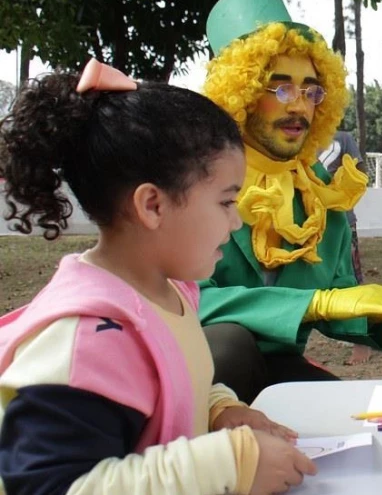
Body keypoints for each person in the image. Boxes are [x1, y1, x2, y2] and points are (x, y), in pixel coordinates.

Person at [0, 60, 315, 493]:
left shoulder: (170, 290)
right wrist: (227, 463)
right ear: (153, 205)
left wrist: (219, 409)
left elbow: (175, 381)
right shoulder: (89, 339)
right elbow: (51, 486)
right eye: (226, 202)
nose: (236, 221)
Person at [199, 0, 382, 403]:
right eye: (281, 88)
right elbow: (185, 301)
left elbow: (337, 298)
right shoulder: (192, 178)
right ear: (242, 92)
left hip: (279, 368)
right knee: (228, 344)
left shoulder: (320, 188)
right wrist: (314, 304)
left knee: (350, 414)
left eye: (311, 90)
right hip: (196, 369)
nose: (299, 106)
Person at [319, 131, 373, 365]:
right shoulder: (295, 139)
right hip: (305, 224)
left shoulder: (343, 139)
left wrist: (338, 186)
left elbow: (361, 173)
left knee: (351, 279)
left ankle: (362, 342)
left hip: (342, 222)